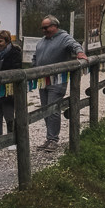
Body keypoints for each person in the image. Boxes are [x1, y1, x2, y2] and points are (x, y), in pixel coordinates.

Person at [32, 15, 88, 152]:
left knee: (53, 109)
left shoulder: (64, 37)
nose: (43, 30)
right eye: (42, 28)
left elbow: (75, 45)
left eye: (46, 27)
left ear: (54, 26)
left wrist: (80, 53)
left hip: (57, 80)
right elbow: (35, 57)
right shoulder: (42, 41)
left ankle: (53, 139)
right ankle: (49, 137)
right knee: (45, 109)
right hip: (42, 80)